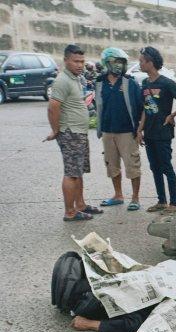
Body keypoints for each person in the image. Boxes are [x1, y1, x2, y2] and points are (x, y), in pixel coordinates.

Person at [44, 44, 103, 221]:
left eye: (82, 61)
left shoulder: (76, 78)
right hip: (70, 133)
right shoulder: (62, 80)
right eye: (76, 61)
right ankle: (70, 212)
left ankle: (81, 205)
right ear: (66, 61)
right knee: (71, 173)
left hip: (79, 133)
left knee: (78, 171)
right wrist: (56, 131)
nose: (80, 65)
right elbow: (53, 107)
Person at [136, 46, 176, 213]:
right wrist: (140, 130)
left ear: (150, 62)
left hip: (163, 132)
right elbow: (146, 108)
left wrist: (172, 115)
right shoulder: (145, 83)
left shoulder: (167, 83)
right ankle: (161, 201)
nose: (139, 64)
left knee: (166, 167)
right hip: (149, 133)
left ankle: (174, 203)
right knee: (155, 168)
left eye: (141, 61)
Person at [95, 47, 144, 211]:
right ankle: (118, 195)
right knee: (112, 165)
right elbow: (99, 106)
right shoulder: (100, 83)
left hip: (127, 132)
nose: (120, 66)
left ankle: (135, 198)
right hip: (108, 132)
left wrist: (139, 130)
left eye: (122, 62)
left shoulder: (130, 83)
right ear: (107, 63)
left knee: (133, 165)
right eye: (117, 62)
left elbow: (141, 107)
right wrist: (99, 129)